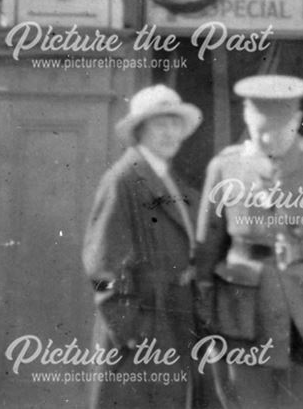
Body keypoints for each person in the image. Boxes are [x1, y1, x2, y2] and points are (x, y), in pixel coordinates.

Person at [195, 75, 303, 409]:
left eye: (278, 131)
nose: (268, 140)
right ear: (246, 117)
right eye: (260, 132)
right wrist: (207, 309)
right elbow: (207, 245)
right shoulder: (226, 166)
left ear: (297, 120)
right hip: (244, 316)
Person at [82, 84, 204, 408]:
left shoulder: (173, 182)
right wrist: (129, 329)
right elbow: (101, 264)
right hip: (140, 330)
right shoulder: (123, 179)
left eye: (175, 123)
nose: (170, 132)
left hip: (173, 322)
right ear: (140, 129)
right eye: (160, 123)